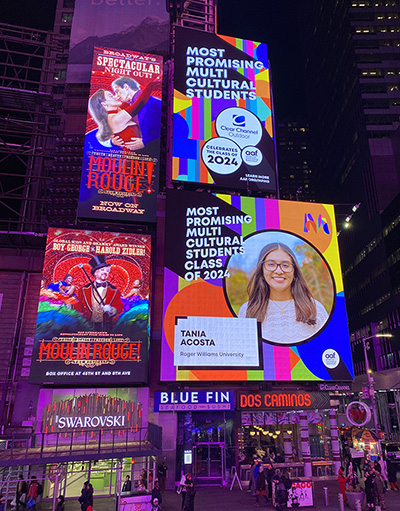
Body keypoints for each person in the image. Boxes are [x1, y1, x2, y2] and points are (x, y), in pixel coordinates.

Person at [238, 243, 329, 344]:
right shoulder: (247, 311)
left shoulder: (316, 309)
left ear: (294, 272)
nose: (279, 271)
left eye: (285, 265)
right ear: (262, 271)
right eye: (271, 264)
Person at [112, 76, 162, 151]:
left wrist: (146, 142)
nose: (117, 96)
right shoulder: (128, 107)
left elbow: (171, 128)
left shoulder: (152, 102)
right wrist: (113, 142)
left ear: (126, 87)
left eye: (117, 91)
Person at [77, 255, 123, 329]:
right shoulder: (84, 290)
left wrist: (113, 310)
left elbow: (119, 306)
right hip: (87, 327)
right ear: (95, 273)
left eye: (107, 270)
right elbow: (79, 306)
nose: (105, 272)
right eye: (102, 270)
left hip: (106, 328)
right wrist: (69, 306)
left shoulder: (115, 290)